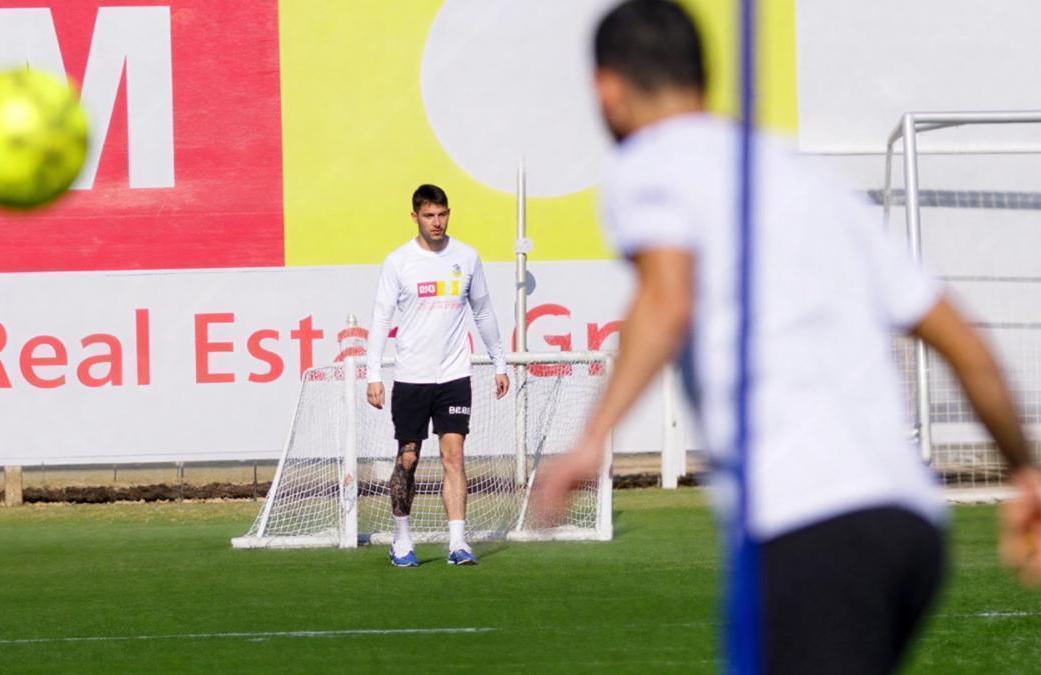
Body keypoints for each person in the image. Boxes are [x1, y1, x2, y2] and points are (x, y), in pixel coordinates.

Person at [531, 1, 1041, 672]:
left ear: (607, 89)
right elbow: (963, 342)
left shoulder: (650, 162)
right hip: (911, 527)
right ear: (703, 77)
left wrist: (590, 439)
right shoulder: (810, 182)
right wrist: (1024, 470)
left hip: (812, 523)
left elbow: (667, 297)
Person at [366, 184, 510, 567]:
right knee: (408, 458)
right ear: (415, 216)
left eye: (442, 214)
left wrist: (499, 362)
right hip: (411, 377)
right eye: (429, 215)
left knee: (454, 456)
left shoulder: (467, 256)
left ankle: (458, 544)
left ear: (449, 214)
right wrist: (373, 373)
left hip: (454, 376)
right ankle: (401, 541)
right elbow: (380, 318)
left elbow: (483, 311)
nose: (437, 222)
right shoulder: (398, 262)